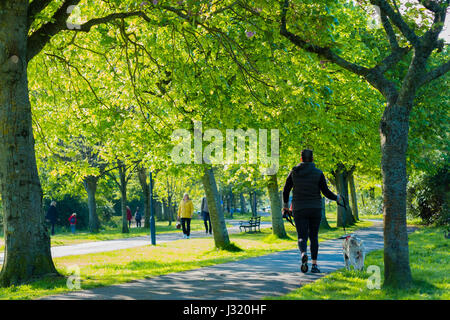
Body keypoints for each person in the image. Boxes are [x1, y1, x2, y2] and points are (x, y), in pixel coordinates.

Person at [282, 149, 342, 274]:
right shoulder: (318, 173)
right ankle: (314, 265)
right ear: (313, 159)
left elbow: (286, 190)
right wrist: (337, 197)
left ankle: (303, 253)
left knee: (302, 236)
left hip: (299, 208)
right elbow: (325, 192)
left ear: (301, 159)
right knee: (313, 236)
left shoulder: (294, 172)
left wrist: (286, 206)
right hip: (315, 208)